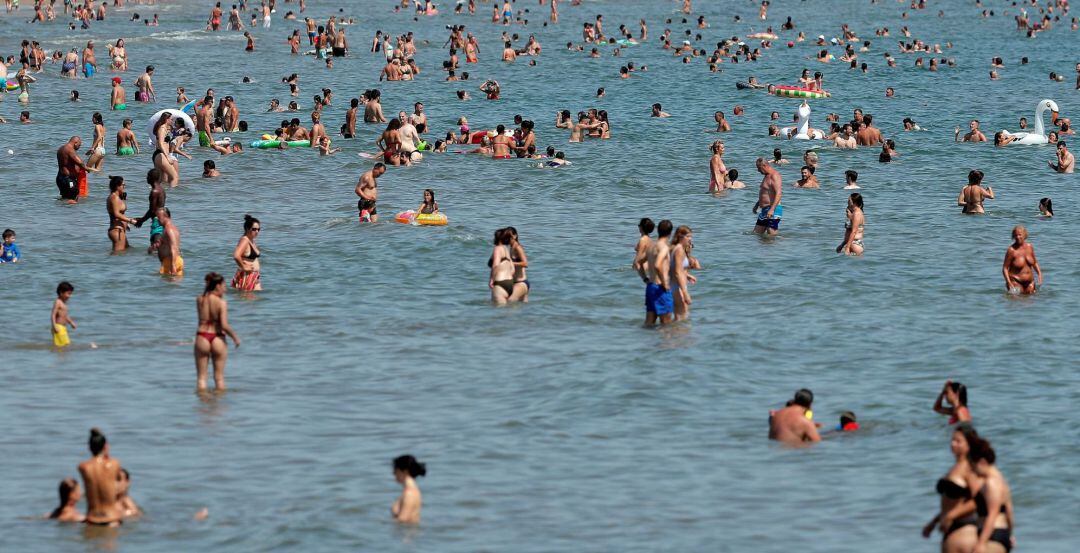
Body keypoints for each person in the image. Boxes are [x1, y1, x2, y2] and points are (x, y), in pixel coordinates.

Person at [922, 424, 980, 551]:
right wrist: (933, 522)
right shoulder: (955, 467)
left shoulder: (970, 468)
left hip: (965, 529)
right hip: (950, 529)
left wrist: (950, 516)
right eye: (952, 440)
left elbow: (978, 501)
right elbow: (952, 503)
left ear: (969, 445)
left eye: (958, 441)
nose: (953, 444)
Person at [965, 437, 1016, 553]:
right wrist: (1010, 534)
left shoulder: (991, 482)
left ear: (982, 462)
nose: (972, 470)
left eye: (972, 466)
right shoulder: (1002, 480)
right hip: (999, 533)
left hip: (991, 536)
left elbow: (992, 514)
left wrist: (981, 543)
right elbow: (1009, 512)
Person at [194, 272, 241, 391]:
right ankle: (218, 406)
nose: (225, 289)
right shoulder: (222, 303)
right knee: (219, 378)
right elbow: (224, 325)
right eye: (224, 286)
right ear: (218, 286)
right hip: (218, 337)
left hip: (202, 336)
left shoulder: (200, 299)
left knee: (201, 378)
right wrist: (235, 337)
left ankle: (202, 405)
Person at [78, 428, 123, 526]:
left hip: (91, 520)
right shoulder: (114, 464)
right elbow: (121, 485)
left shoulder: (83, 467)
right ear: (106, 447)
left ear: (89, 448)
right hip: (112, 519)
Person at [639, 219, 674, 325]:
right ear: (670, 233)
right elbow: (657, 265)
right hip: (660, 288)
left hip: (650, 287)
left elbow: (639, 263)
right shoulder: (663, 247)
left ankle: (648, 341)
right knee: (666, 324)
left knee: (649, 322)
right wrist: (665, 283)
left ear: (658, 231)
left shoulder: (651, 247)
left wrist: (645, 278)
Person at [56, 137, 97, 203]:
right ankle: (73, 213)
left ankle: (63, 212)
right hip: (68, 180)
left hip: (60, 178)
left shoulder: (61, 149)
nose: (79, 147)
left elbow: (68, 164)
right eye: (79, 145)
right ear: (75, 143)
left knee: (64, 199)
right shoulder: (70, 150)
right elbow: (80, 163)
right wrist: (87, 169)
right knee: (73, 199)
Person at [1002, 226, 1042, 295]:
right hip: (1015, 282)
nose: (1017, 237)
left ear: (1024, 235)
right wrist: (1009, 283)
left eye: (1019, 235)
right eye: (1015, 235)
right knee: (1017, 303)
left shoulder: (1030, 247)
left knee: (1032, 302)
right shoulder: (1011, 250)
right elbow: (1005, 268)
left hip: (1030, 282)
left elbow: (1035, 263)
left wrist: (1040, 275)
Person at [669, 225, 695, 321]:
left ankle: (672, 334)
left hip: (676, 286)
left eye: (690, 236)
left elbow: (673, 268)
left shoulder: (674, 248)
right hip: (678, 287)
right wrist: (685, 293)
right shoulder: (679, 250)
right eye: (688, 236)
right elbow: (676, 272)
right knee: (682, 318)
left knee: (679, 318)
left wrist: (687, 275)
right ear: (680, 236)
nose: (690, 239)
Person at [391, 455, 426, 524]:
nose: (393, 473)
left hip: (406, 534)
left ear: (405, 471)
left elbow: (402, 520)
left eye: (395, 470)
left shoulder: (409, 494)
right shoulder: (412, 491)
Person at [231, 215, 262, 291]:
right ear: (247, 229)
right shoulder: (245, 240)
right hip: (246, 276)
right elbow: (236, 255)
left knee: (257, 301)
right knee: (248, 301)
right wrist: (244, 267)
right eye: (254, 229)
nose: (257, 231)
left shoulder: (251, 240)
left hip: (254, 276)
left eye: (259, 229)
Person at [753, 158, 782, 235]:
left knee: (771, 237)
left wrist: (772, 209)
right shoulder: (766, 176)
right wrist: (757, 205)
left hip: (773, 210)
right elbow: (766, 193)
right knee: (756, 234)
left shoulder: (774, 175)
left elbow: (778, 193)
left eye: (759, 168)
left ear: (764, 165)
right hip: (764, 210)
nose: (758, 170)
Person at [107, 176, 136, 252]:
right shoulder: (114, 198)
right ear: (117, 186)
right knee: (117, 256)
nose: (124, 186)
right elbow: (116, 214)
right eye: (123, 185)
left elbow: (120, 212)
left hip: (120, 229)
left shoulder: (117, 197)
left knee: (129, 250)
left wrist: (126, 223)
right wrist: (130, 220)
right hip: (117, 231)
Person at [488, 228, 517, 305]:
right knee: (507, 314)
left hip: (500, 283)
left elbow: (495, 265)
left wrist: (491, 279)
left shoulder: (497, 249)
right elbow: (513, 269)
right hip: (510, 284)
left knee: (498, 314)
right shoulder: (506, 250)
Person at [156, 208, 183, 276]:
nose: (157, 219)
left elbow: (173, 247)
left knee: (169, 284)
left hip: (170, 262)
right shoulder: (170, 228)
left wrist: (172, 265)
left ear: (166, 216)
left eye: (159, 217)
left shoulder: (169, 230)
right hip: (173, 261)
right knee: (174, 284)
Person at [51, 281, 76, 348]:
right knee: (60, 346)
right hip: (58, 327)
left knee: (66, 344)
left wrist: (71, 322)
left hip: (63, 328)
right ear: (61, 293)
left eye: (70, 294)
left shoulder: (64, 303)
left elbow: (65, 315)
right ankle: (60, 357)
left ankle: (63, 357)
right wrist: (54, 326)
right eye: (68, 294)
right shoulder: (57, 302)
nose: (70, 296)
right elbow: (53, 314)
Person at [508, 227, 529, 302]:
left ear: (515, 236)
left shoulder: (518, 247)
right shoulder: (510, 248)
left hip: (521, 283)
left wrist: (511, 263)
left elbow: (525, 263)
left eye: (509, 237)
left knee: (509, 301)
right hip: (515, 283)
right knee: (523, 311)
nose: (507, 239)